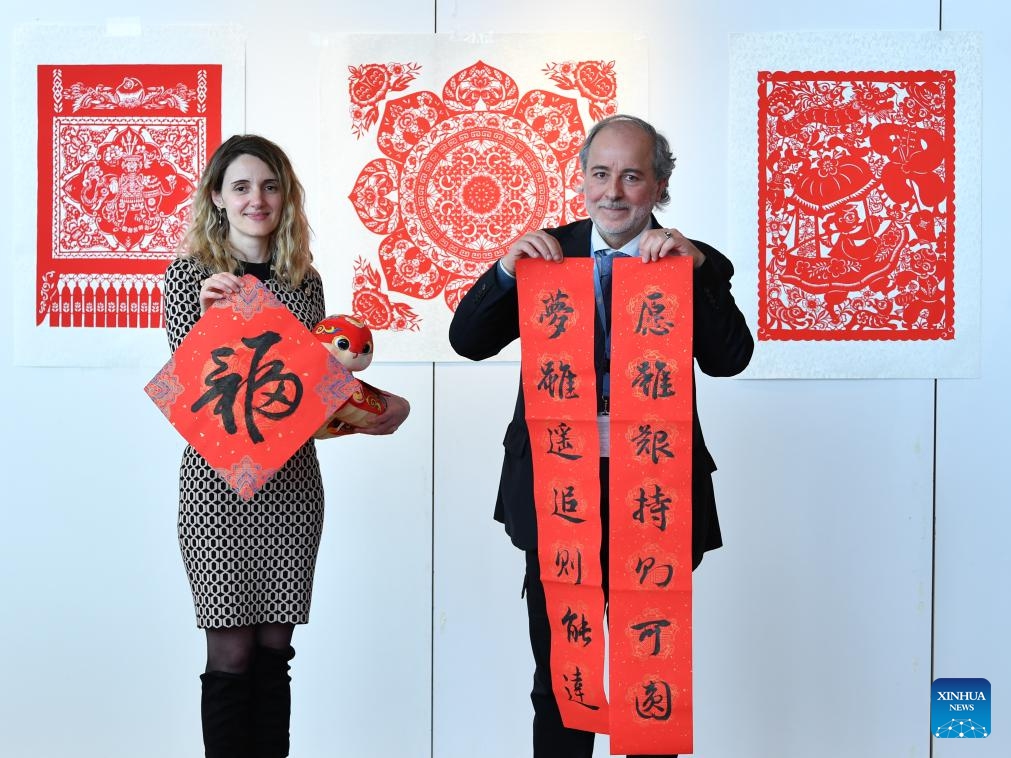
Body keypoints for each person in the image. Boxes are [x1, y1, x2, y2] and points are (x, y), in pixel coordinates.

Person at [449, 114, 754, 758]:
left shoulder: (689, 259)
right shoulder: (545, 253)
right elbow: (469, 342)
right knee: (563, 678)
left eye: (633, 176)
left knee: (652, 673)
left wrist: (695, 271)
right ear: (581, 179)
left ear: (660, 187)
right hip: (560, 487)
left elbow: (729, 359)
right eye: (600, 173)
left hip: (655, 487)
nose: (613, 191)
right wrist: (505, 273)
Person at [162, 134, 410, 758]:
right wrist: (208, 313)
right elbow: (194, 385)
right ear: (217, 197)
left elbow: (311, 394)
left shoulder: (305, 282)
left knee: (276, 649)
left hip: (293, 484)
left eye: (270, 185)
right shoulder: (191, 276)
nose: (257, 200)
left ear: (286, 195)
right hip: (217, 487)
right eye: (241, 187)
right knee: (230, 650)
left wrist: (372, 407)